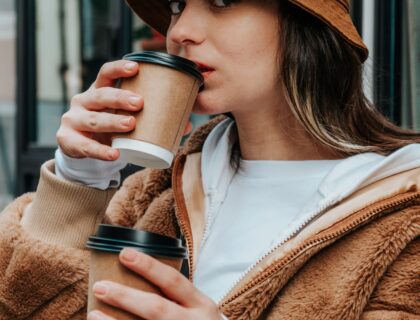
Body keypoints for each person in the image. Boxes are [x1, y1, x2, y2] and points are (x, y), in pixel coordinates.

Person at [1, 0, 419, 319]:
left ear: (306, 25)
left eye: (221, 1)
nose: (181, 30)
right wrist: (78, 180)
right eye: (177, 5)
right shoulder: (157, 190)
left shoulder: (404, 215)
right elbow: (26, 307)